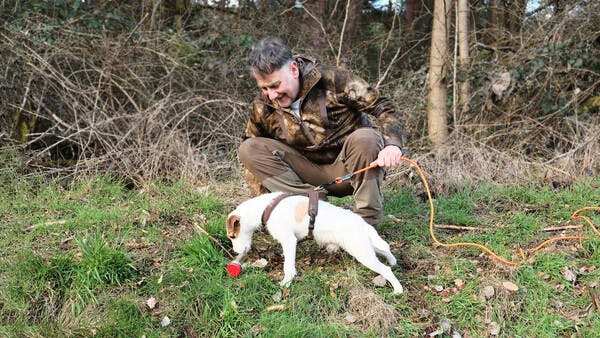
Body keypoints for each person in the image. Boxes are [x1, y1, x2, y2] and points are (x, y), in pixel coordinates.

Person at [238, 36, 405, 226]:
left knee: (366, 137)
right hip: (307, 175)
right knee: (248, 148)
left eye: (276, 85)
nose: (272, 95)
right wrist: (265, 211)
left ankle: (366, 223)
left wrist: (392, 145)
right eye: (265, 88)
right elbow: (254, 160)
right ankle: (313, 209)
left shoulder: (334, 80)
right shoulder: (263, 105)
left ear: (293, 69)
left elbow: (384, 107)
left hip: (351, 168)